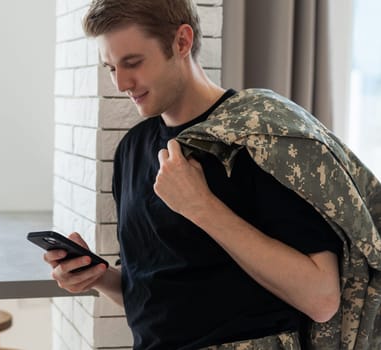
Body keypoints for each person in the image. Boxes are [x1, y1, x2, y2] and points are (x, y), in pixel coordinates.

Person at [44, 0, 346, 349]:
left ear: (181, 42)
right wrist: (98, 277)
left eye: (133, 63)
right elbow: (156, 300)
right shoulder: (132, 150)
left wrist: (201, 207)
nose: (122, 83)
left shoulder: (260, 137)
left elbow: (322, 299)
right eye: (111, 68)